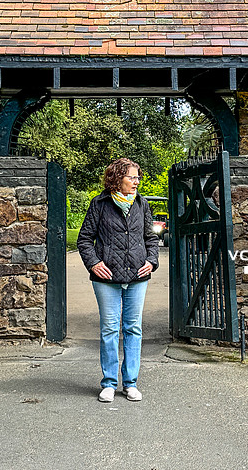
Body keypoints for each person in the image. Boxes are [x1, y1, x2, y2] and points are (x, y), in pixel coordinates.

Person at [77, 158, 160, 403]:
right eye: (131, 177)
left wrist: (151, 261)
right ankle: (109, 384)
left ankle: (131, 383)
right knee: (109, 329)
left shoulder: (142, 204)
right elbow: (84, 240)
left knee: (133, 329)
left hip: (137, 276)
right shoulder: (99, 204)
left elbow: (151, 238)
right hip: (107, 278)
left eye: (137, 178)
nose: (136, 182)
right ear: (117, 178)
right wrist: (93, 263)